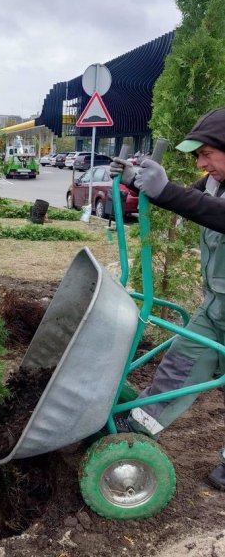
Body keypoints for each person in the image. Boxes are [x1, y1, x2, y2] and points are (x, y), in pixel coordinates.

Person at [110, 107, 225, 491]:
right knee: (178, 367)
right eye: (198, 157)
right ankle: (134, 432)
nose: (202, 163)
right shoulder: (213, 186)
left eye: (207, 154)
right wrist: (135, 181)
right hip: (216, 306)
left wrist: (167, 189)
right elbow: (183, 201)